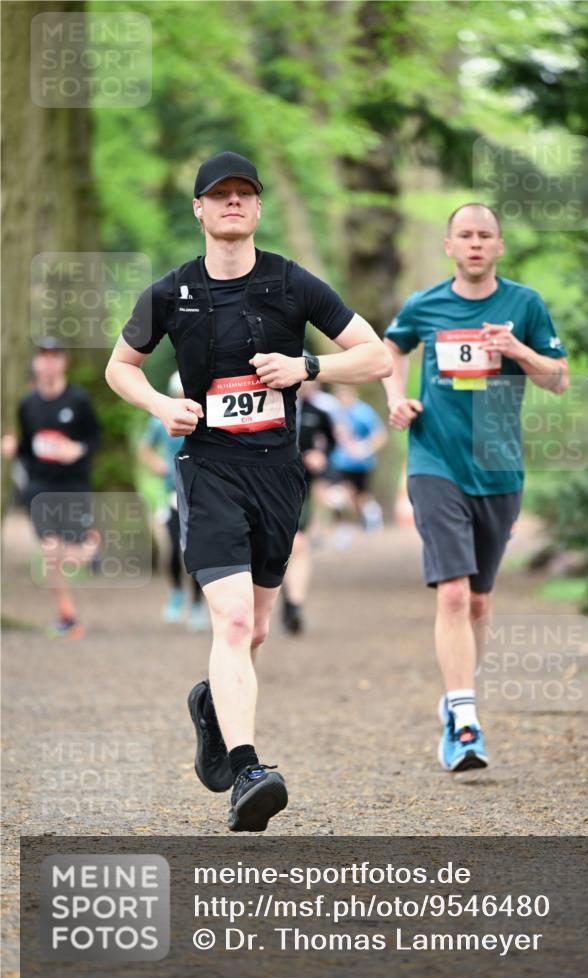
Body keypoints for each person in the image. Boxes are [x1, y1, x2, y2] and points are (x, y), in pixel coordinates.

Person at [105, 151, 391, 831]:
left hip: (276, 474)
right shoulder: (169, 293)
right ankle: (247, 770)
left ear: (257, 209)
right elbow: (121, 367)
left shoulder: (292, 285)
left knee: (255, 628)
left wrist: (306, 365)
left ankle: (212, 704)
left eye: (244, 194)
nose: (233, 203)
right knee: (231, 620)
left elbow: (376, 354)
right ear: (199, 210)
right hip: (207, 470)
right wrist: (157, 407)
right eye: (219, 195)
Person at [383, 202, 568, 772]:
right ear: (448, 246)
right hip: (434, 458)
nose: (475, 244)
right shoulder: (425, 304)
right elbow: (391, 346)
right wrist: (396, 398)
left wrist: (517, 350)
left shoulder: (524, 304)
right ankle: (466, 721)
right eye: (464, 235)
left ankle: (454, 697)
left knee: (481, 600)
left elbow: (558, 379)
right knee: (455, 593)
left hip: (499, 466)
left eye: (485, 235)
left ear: (499, 246)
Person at [12, 337, 101, 638]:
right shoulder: (27, 404)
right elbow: (27, 447)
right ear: (36, 363)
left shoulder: (78, 400)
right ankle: (67, 615)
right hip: (40, 486)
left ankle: (92, 543)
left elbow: (94, 439)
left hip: (73, 485)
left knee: (74, 556)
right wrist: (13, 448)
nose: (47, 362)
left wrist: (77, 449)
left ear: (62, 362)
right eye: (42, 357)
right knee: (50, 551)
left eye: (53, 356)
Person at [137, 371, 208, 631]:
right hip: (172, 492)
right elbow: (144, 448)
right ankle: (177, 593)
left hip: (201, 493)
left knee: (199, 551)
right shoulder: (159, 422)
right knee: (175, 548)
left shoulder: (204, 417)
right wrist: (157, 463)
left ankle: (199, 605)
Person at [281, 373, 337, 634]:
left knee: (299, 543)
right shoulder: (273, 405)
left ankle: (294, 605)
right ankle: (280, 593)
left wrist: (320, 455)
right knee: (276, 548)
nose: (308, 385)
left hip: (303, 486)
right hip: (272, 484)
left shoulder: (320, 412)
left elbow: (331, 443)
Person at [327, 385, 387, 532]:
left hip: (360, 464)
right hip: (339, 462)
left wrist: (365, 448)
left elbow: (380, 435)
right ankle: (344, 527)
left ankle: (372, 519)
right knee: (340, 493)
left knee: (361, 496)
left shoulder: (363, 412)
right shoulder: (333, 413)